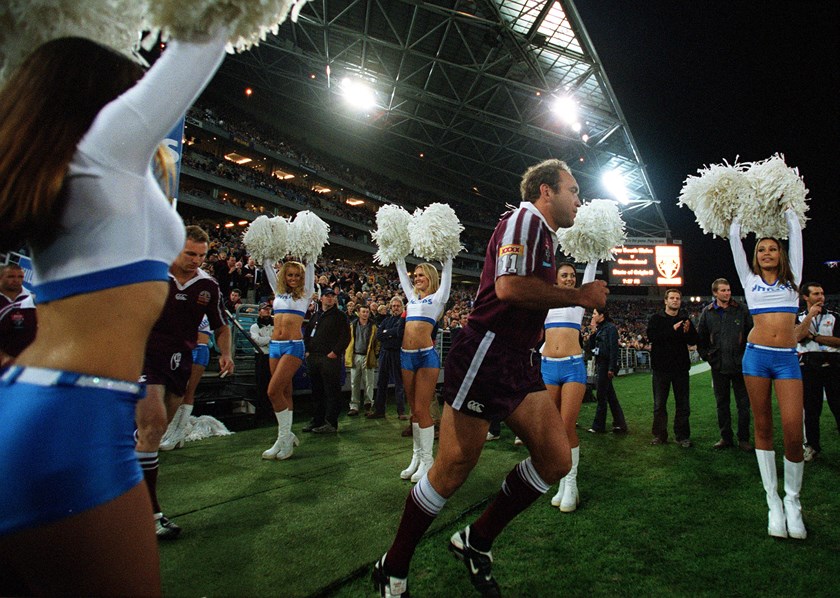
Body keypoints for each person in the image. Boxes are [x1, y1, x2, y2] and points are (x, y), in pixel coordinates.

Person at [0, 29, 228, 595]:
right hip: (75, 412)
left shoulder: (68, 167)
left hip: (36, 398)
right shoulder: (102, 149)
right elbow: (207, 37)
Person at [372, 158, 608, 597]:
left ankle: (475, 541)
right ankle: (394, 566)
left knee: (556, 459)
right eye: (573, 190)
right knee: (453, 467)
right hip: (486, 352)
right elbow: (508, 288)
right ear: (546, 191)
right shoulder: (524, 220)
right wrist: (578, 295)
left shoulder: (545, 234)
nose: (579, 200)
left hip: (518, 360)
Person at [137, 226, 234, 538]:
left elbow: (221, 326)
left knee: (154, 432)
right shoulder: (153, 273)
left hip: (181, 361)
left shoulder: (207, 285)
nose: (196, 260)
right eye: (190, 253)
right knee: (154, 427)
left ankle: (131, 451)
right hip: (146, 355)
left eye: (201, 255)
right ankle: (150, 514)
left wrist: (226, 353)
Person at [729, 209, 806, 539]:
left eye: (772, 248)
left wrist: (786, 207)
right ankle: (773, 502)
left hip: (787, 360)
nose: (766, 253)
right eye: (761, 249)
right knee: (762, 427)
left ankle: (793, 502)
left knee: (793, 430)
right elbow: (734, 239)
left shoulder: (794, 278)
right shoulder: (749, 280)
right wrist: (737, 214)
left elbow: (796, 232)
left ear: (781, 253)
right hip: (756, 358)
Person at [539, 261, 599, 513]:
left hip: (573, 367)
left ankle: (571, 484)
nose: (569, 279)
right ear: (555, 279)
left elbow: (590, 276)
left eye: (572, 275)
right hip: (547, 368)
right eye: (564, 275)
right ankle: (563, 482)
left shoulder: (579, 300)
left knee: (566, 426)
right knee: (553, 429)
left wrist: (593, 256)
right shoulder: (546, 301)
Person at [395, 257, 453, 483]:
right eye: (416, 275)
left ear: (431, 278)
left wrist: (447, 258)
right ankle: (416, 457)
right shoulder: (411, 298)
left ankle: (428, 461)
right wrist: (398, 257)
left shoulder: (438, 298)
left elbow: (447, 275)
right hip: (405, 356)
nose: (417, 279)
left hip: (426, 357)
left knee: (422, 409)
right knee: (414, 412)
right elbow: (402, 275)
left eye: (422, 275)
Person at [261, 258, 314, 459]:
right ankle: (283, 439)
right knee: (284, 392)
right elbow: (267, 265)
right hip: (275, 346)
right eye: (290, 275)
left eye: (297, 275)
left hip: (293, 346)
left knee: (273, 391)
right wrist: (266, 250)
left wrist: (309, 257)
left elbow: (310, 265)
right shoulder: (278, 291)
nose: (293, 278)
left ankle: (285, 438)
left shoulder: (306, 293)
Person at [697, 278, 754, 451]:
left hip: (740, 365)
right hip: (719, 366)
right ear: (715, 293)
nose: (727, 293)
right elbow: (701, 338)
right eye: (723, 290)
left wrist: (746, 356)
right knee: (722, 404)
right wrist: (708, 357)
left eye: (728, 290)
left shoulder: (741, 309)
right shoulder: (707, 312)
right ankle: (725, 437)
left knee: (743, 405)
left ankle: (743, 439)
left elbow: (751, 334)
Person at [646, 288, 699, 448]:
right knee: (659, 405)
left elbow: (693, 341)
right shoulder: (656, 319)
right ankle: (660, 435)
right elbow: (652, 337)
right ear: (665, 301)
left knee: (683, 405)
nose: (675, 300)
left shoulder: (685, 319)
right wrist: (672, 329)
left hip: (680, 368)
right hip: (661, 368)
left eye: (677, 298)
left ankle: (682, 436)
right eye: (672, 298)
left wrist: (687, 331)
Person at [795, 282, 840, 462]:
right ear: (805, 297)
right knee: (811, 410)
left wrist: (814, 337)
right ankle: (812, 447)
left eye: (822, 293)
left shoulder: (835, 316)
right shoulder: (798, 317)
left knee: (838, 407)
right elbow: (797, 337)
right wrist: (810, 316)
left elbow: (838, 341)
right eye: (816, 294)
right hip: (809, 367)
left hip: (834, 366)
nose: (821, 297)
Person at [303, 287, 350, 432]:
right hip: (314, 357)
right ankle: (317, 420)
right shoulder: (315, 316)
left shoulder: (340, 316)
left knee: (331, 391)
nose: (330, 298)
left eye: (332, 296)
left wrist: (335, 352)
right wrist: (307, 350)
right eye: (327, 295)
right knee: (317, 391)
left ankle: (330, 422)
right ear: (321, 298)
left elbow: (345, 337)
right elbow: (307, 333)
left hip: (329, 359)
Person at [586, 307, 628, 436]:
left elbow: (613, 349)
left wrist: (611, 368)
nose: (592, 316)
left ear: (602, 315)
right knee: (610, 396)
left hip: (605, 365)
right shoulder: (599, 329)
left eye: (594, 314)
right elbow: (590, 347)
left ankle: (599, 426)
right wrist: (593, 333)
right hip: (600, 364)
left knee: (601, 396)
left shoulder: (610, 328)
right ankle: (620, 424)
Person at [368, 296, 407, 420]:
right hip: (385, 353)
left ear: (402, 307)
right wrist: (391, 333)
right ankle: (379, 411)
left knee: (399, 383)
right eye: (393, 306)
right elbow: (379, 335)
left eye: (398, 306)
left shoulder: (404, 321)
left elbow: (399, 333)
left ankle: (401, 411)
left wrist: (387, 332)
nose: (395, 308)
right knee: (381, 382)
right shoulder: (387, 320)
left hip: (397, 353)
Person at [0, 263, 37, 367]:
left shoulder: (31, 298)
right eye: (11, 276)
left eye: (20, 277)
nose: (16, 280)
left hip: (24, 361)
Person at [345, 304, 378, 416]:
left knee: (369, 383)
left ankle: (368, 405)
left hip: (368, 356)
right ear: (358, 313)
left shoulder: (373, 326)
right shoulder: (352, 325)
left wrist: (376, 354)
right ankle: (354, 406)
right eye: (363, 312)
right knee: (354, 382)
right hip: (355, 356)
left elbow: (377, 341)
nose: (365, 314)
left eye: (367, 312)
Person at [250, 302, 275, 422]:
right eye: (264, 309)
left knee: (272, 383)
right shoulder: (254, 326)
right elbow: (256, 341)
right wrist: (271, 339)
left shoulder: (275, 324)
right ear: (259, 311)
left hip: (273, 356)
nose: (267, 311)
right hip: (261, 357)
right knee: (261, 384)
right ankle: (262, 412)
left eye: (269, 309)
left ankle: (271, 411)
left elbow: (277, 338)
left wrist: (265, 340)